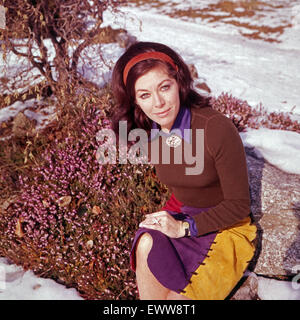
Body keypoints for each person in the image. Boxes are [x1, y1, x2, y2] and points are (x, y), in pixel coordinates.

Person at [111, 41, 257, 300]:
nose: (158, 103)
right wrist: (164, 219)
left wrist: (185, 228)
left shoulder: (216, 128)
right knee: (146, 243)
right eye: (144, 95)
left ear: (179, 83)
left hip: (225, 228)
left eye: (164, 88)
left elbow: (238, 206)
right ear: (135, 100)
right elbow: (183, 185)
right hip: (182, 216)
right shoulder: (149, 131)